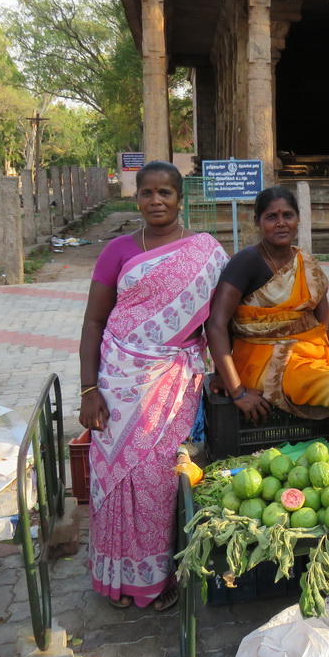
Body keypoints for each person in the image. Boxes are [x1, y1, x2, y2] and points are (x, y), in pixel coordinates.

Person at [78, 160, 228, 611]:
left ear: (181, 199)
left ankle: (157, 578)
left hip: (175, 384)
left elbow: (222, 321)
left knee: (161, 480)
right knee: (113, 480)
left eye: (166, 192)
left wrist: (225, 372)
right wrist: (89, 390)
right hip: (119, 382)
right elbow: (94, 320)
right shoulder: (118, 251)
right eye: (148, 193)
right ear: (136, 197)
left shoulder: (206, 252)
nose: (156, 201)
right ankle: (114, 580)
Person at [206, 186, 329, 447]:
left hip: (311, 352)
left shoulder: (306, 263)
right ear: (257, 222)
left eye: (287, 215)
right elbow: (216, 324)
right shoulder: (246, 262)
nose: (281, 223)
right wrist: (237, 391)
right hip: (264, 361)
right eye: (271, 217)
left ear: (298, 218)